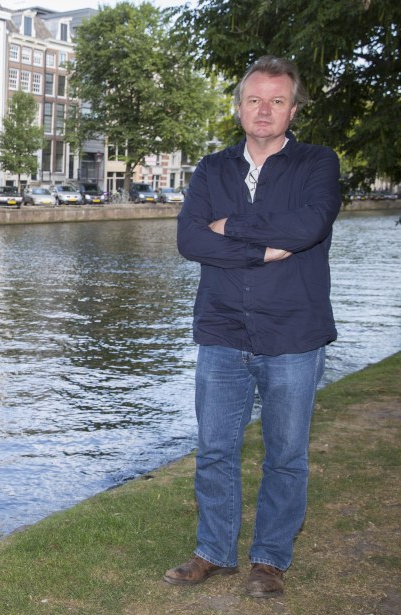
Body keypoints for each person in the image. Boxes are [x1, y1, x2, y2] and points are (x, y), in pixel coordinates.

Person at [166, 56, 341, 598]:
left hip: (292, 333)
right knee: (216, 449)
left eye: (277, 100)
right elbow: (190, 240)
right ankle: (213, 551)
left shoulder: (318, 163)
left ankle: (269, 560)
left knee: (285, 455)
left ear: (293, 108)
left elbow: (309, 225)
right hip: (221, 331)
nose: (264, 110)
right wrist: (265, 251)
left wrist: (233, 227)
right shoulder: (211, 169)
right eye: (254, 100)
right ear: (238, 106)